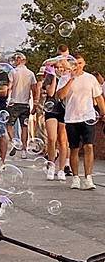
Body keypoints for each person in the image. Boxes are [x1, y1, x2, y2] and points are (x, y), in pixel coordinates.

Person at [56, 54, 105, 190]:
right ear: (71, 65)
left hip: (88, 116)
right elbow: (60, 96)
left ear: (84, 64)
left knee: (89, 146)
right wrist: (71, 79)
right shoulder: (65, 78)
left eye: (80, 63)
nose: (77, 66)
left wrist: (103, 112)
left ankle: (88, 177)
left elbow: (98, 97)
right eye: (75, 63)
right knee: (74, 149)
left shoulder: (90, 78)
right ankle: (76, 177)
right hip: (71, 118)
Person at [7, 53, 38, 159]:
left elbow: (9, 87)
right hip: (25, 104)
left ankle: (14, 142)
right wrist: (35, 103)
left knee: (9, 125)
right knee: (24, 127)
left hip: (14, 102)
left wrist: (7, 98)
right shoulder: (30, 73)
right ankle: (24, 150)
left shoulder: (13, 72)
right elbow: (34, 89)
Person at [43, 61, 68, 181]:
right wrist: (53, 76)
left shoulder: (68, 78)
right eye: (56, 67)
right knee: (52, 138)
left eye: (61, 67)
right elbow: (51, 93)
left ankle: (62, 169)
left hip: (64, 109)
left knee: (63, 140)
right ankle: (51, 165)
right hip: (51, 108)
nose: (59, 69)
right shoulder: (49, 78)